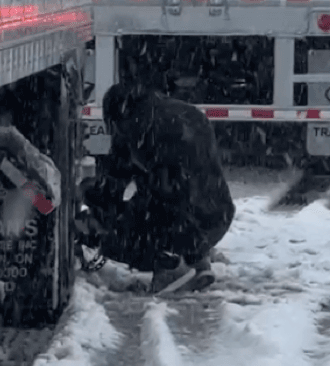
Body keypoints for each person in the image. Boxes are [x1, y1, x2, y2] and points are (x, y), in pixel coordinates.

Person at [81, 82, 236, 294]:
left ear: (116, 114)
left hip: (180, 226)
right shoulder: (187, 113)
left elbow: (115, 183)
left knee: (116, 235)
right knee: (178, 200)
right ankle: (196, 258)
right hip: (219, 217)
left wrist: (91, 203)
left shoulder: (137, 127)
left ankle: (172, 266)